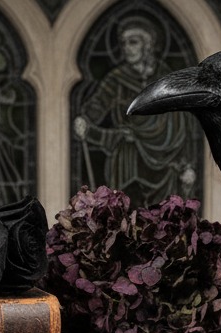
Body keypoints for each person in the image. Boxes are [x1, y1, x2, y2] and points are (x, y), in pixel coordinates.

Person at [73, 17, 198, 199]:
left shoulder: (166, 79)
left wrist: (186, 165)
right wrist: (84, 119)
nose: (126, 48)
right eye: (123, 44)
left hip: (164, 163)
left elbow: (181, 124)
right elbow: (98, 103)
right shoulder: (116, 79)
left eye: (133, 42)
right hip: (128, 159)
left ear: (147, 46)